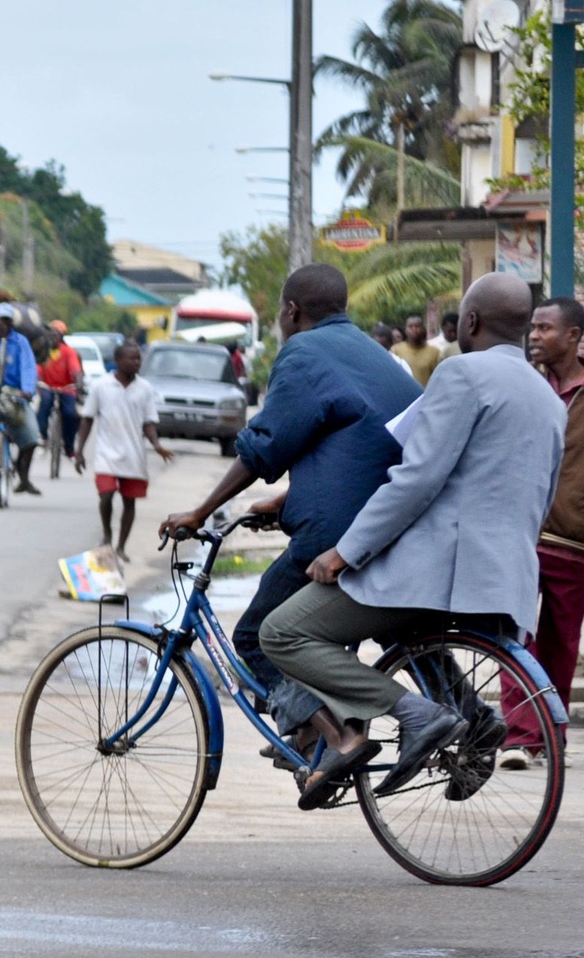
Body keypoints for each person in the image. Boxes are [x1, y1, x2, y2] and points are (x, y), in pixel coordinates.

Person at [259, 273, 566, 808]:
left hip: (433, 570)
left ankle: (410, 714)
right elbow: (539, 497)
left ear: (469, 322)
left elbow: (416, 480)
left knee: (282, 632)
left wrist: (345, 551)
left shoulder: (462, 374)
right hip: (500, 579)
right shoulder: (548, 397)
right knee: (396, 635)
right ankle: (472, 718)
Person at [158, 265, 422, 747]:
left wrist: (200, 511)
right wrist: (286, 501)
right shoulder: (371, 353)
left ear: (291, 311)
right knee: (384, 631)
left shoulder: (303, 352)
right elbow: (349, 447)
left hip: (337, 535)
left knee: (258, 636)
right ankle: (465, 714)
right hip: (392, 524)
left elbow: (264, 445)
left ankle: (338, 741)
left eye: (280, 312)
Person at [497, 296, 584, 767]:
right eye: (532, 327)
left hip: (573, 541)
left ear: (575, 336)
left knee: (561, 644)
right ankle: (520, 736)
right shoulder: (519, 383)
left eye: (545, 328)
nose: (534, 336)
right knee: (512, 636)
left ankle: (550, 738)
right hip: (516, 534)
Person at [74, 341, 172, 561]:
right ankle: (107, 533)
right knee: (106, 494)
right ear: (118, 361)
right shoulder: (101, 386)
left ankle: (121, 546)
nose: (137, 362)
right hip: (106, 454)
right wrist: (79, 450)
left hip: (133, 455)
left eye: (138, 358)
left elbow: (148, 422)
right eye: (132, 358)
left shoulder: (144, 388)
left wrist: (156, 445)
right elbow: (88, 419)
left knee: (130, 501)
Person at [0, 302, 41, 495]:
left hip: (15, 395)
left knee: (31, 436)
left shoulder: (20, 342)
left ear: (11, 322)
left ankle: (23, 476)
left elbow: (28, 367)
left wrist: (27, 390)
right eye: (0, 320)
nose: (3, 325)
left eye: (7, 321)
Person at [35, 320, 83, 464]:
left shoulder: (69, 352)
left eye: (56, 333)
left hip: (66, 389)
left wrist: (78, 382)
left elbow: (75, 371)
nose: (53, 335)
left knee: (70, 414)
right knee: (43, 407)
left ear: (62, 335)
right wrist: (37, 381)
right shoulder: (44, 351)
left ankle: (69, 447)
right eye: (51, 332)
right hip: (48, 387)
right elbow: (38, 369)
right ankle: (43, 437)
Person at [392, 314, 443, 387]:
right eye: (410, 327)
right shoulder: (396, 350)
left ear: (423, 329)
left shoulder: (435, 352)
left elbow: (438, 378)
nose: (414, 330)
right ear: (406, 330)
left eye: (417, 326)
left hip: (425, 395)